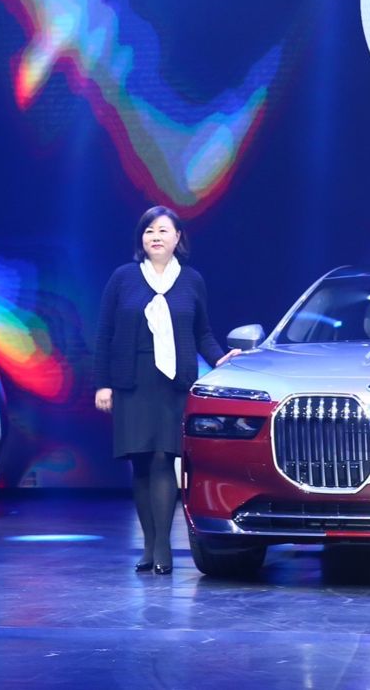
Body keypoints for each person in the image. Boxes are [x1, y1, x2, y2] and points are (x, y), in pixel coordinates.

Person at [93, 206, 234, 574]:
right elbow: (105, 333)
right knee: (140, 461)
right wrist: (103, 384)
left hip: (173, 382)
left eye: (162, 230)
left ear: (177, 238)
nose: (155, 237)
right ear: (141, 239)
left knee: (163, 458)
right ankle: (149, 544)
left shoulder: (191, 280)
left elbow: (202, 332)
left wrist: (220, 359)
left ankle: (163, 547)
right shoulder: (123, 278)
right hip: (132, 379)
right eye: (148, 231)